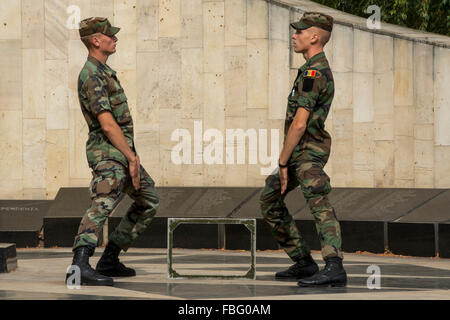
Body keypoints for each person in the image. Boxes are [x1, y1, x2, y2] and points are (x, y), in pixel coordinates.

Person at [66, 17, 159, 286]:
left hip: (121, 152)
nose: (115, 39)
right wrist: (131, 157)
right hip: (108, 154)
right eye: (110, 36)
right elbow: (107, 124)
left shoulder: (104, 71)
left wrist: (130, 155)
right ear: (96, 40)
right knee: (102, 203)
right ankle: (79, 265)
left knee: (148, 199)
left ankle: (110, 259)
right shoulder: (92, 74)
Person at [259, 12, 347, 287]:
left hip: (307, 152)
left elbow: (299, 124)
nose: (294, 35)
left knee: (319, 203)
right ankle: (304, 261)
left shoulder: (314, 72)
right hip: (300, 152)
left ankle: (334, 265)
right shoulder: (310, 69)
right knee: (270, 200)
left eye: (299, 31)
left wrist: (283, 162)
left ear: (315, 37)